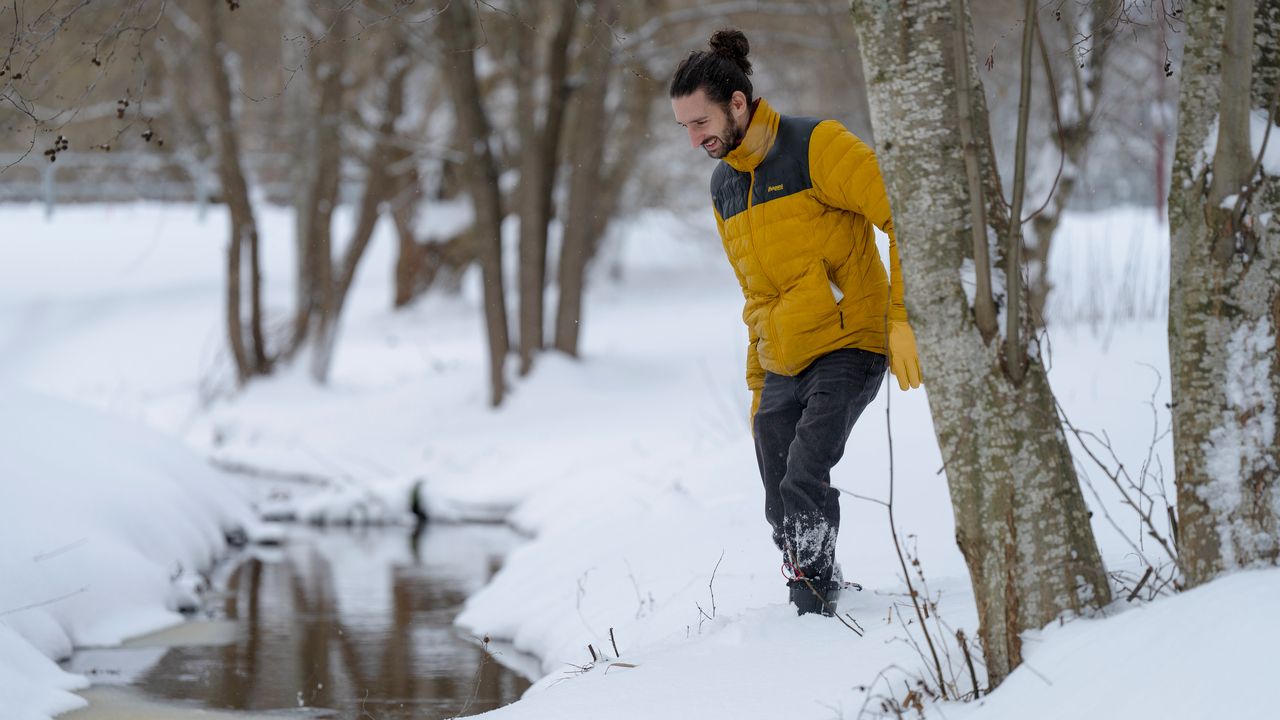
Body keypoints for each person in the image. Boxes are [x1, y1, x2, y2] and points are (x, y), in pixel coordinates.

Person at [670, 29, 922, 616]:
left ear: (738, 103)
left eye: (699, 122)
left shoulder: (817, 146)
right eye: (683, 126)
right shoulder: (725, 185)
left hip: (848, 343)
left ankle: (812, 617)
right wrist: (759, 388)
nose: (693, 139)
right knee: (777, 492)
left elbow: (905, 213)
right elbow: (755, 296)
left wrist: (904, 320)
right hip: (782, 358)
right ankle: (816, 589)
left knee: (805, 475)